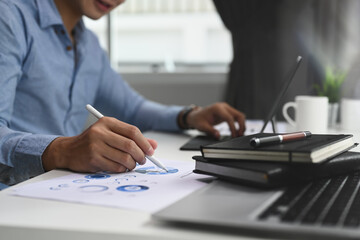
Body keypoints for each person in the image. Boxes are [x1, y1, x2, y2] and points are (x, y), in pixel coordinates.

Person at [0, 0, 246, 187]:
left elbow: (132, 108)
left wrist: (189, 116)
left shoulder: (89, 46)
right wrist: (62, 150)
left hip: (54, 190)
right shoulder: (8, 18)